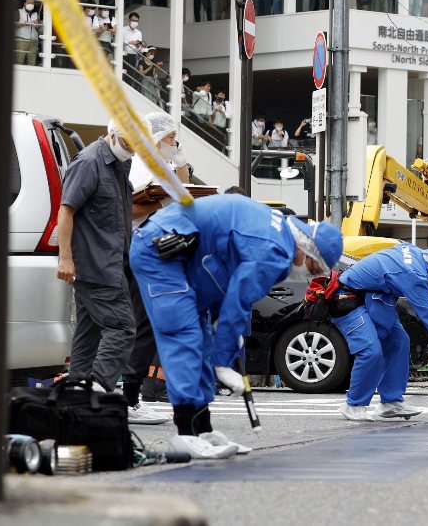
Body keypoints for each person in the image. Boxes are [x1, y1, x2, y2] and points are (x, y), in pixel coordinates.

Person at [129, 195, 343, 457]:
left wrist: (224, 345)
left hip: (188, 254)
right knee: (184, 336)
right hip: (162, 250)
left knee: (203, 339)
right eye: (312, 267)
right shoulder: (275, 251)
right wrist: (222, 363)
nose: (307, 274)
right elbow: (239, 299)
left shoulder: (278, 233)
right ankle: (185, 433)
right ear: (307, 247)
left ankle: (202, 430)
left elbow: (229, 293)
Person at [333, 239, 428, 421]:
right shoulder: (413, 274)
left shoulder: (416, 254)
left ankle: (390, 403)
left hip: (374, 296)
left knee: (399, 341)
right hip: (347, 297)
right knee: (371, 351)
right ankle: (353, 405)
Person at [56, 119, 143, 393]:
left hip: (111, 262)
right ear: (113, 134)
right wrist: (65, 258)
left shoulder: (121, 163)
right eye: (129, 143)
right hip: (97, 265)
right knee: (122, 328)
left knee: (89, 331)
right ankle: (97, 388)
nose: (132, 150)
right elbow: (66, 210)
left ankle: (76, 392)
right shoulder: (88, 162)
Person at [124, 112, 190, 425]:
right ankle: (129, 396)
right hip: (139, 250)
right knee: (142, 324)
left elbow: (184, 195)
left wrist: (179, 161)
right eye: (169, 137)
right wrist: (162, 202)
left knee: (149, 323)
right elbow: (129, 207)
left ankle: (130, 394)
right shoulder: (137, 164)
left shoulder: (164, 163)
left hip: (161, 250)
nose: (174, 142)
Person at [14, 0, 42, 66]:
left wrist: (37, 25)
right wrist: (23, 24)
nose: (31, 4)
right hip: (21, 40)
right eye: (29, 3)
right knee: (19, 61)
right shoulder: (19, 11)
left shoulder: (35, 14)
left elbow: (38, 28)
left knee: (32, 63)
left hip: (33, 41)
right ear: (24, 3)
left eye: (32, 3)